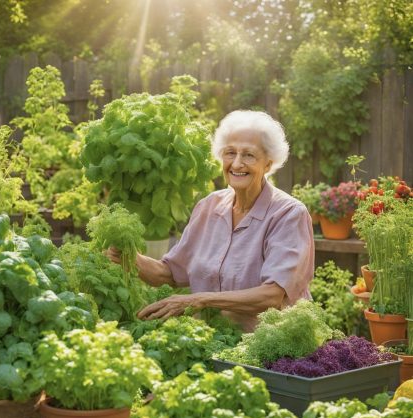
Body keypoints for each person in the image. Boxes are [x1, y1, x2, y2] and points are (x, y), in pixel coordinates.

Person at [107, 110, 314, 332]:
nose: (236, 164)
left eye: (249, 155)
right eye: (230, 153)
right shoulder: (209, 207)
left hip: (271, 347)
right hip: (213, 341)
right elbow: (169, 274)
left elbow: (272, 296)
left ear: (268, 164)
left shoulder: (288, 214)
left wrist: (199, 300)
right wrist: (130, 258)